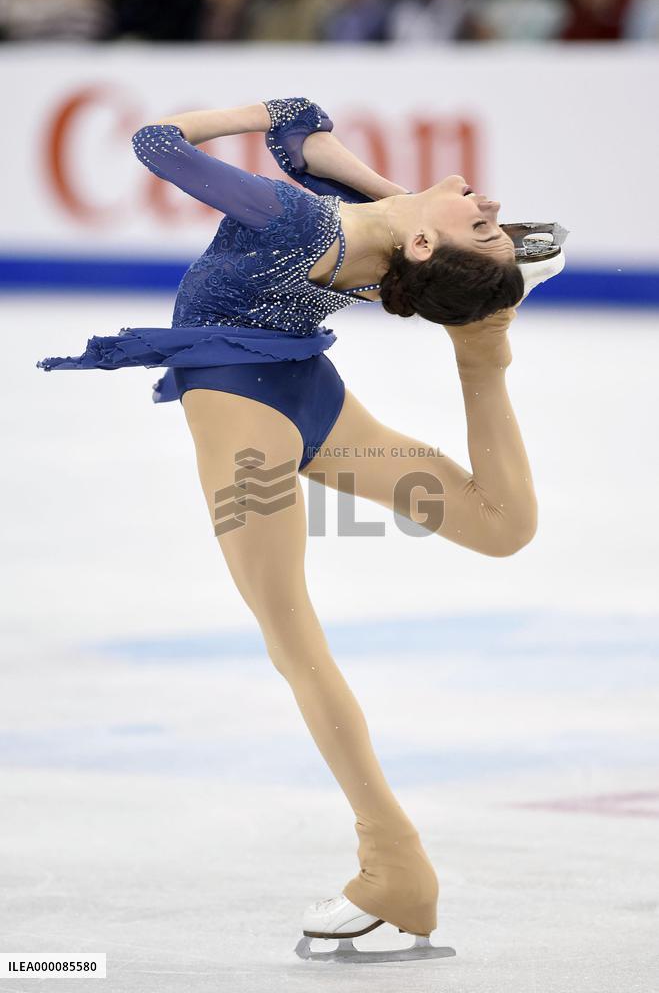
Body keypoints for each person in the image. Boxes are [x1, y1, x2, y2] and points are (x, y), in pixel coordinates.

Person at [37, 97, 564, 962]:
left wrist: (259, 110)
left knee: (301, 640)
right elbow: (312, 146)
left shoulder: (295, 216)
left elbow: (156, 142)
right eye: (493, 225)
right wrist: (377, 183)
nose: (494, 208)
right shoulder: (393, 233)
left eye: (486, 230)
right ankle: (481, 343)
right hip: (304, 392)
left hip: (251, 409)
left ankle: (393, 867)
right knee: (481, 538)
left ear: (428, 251)